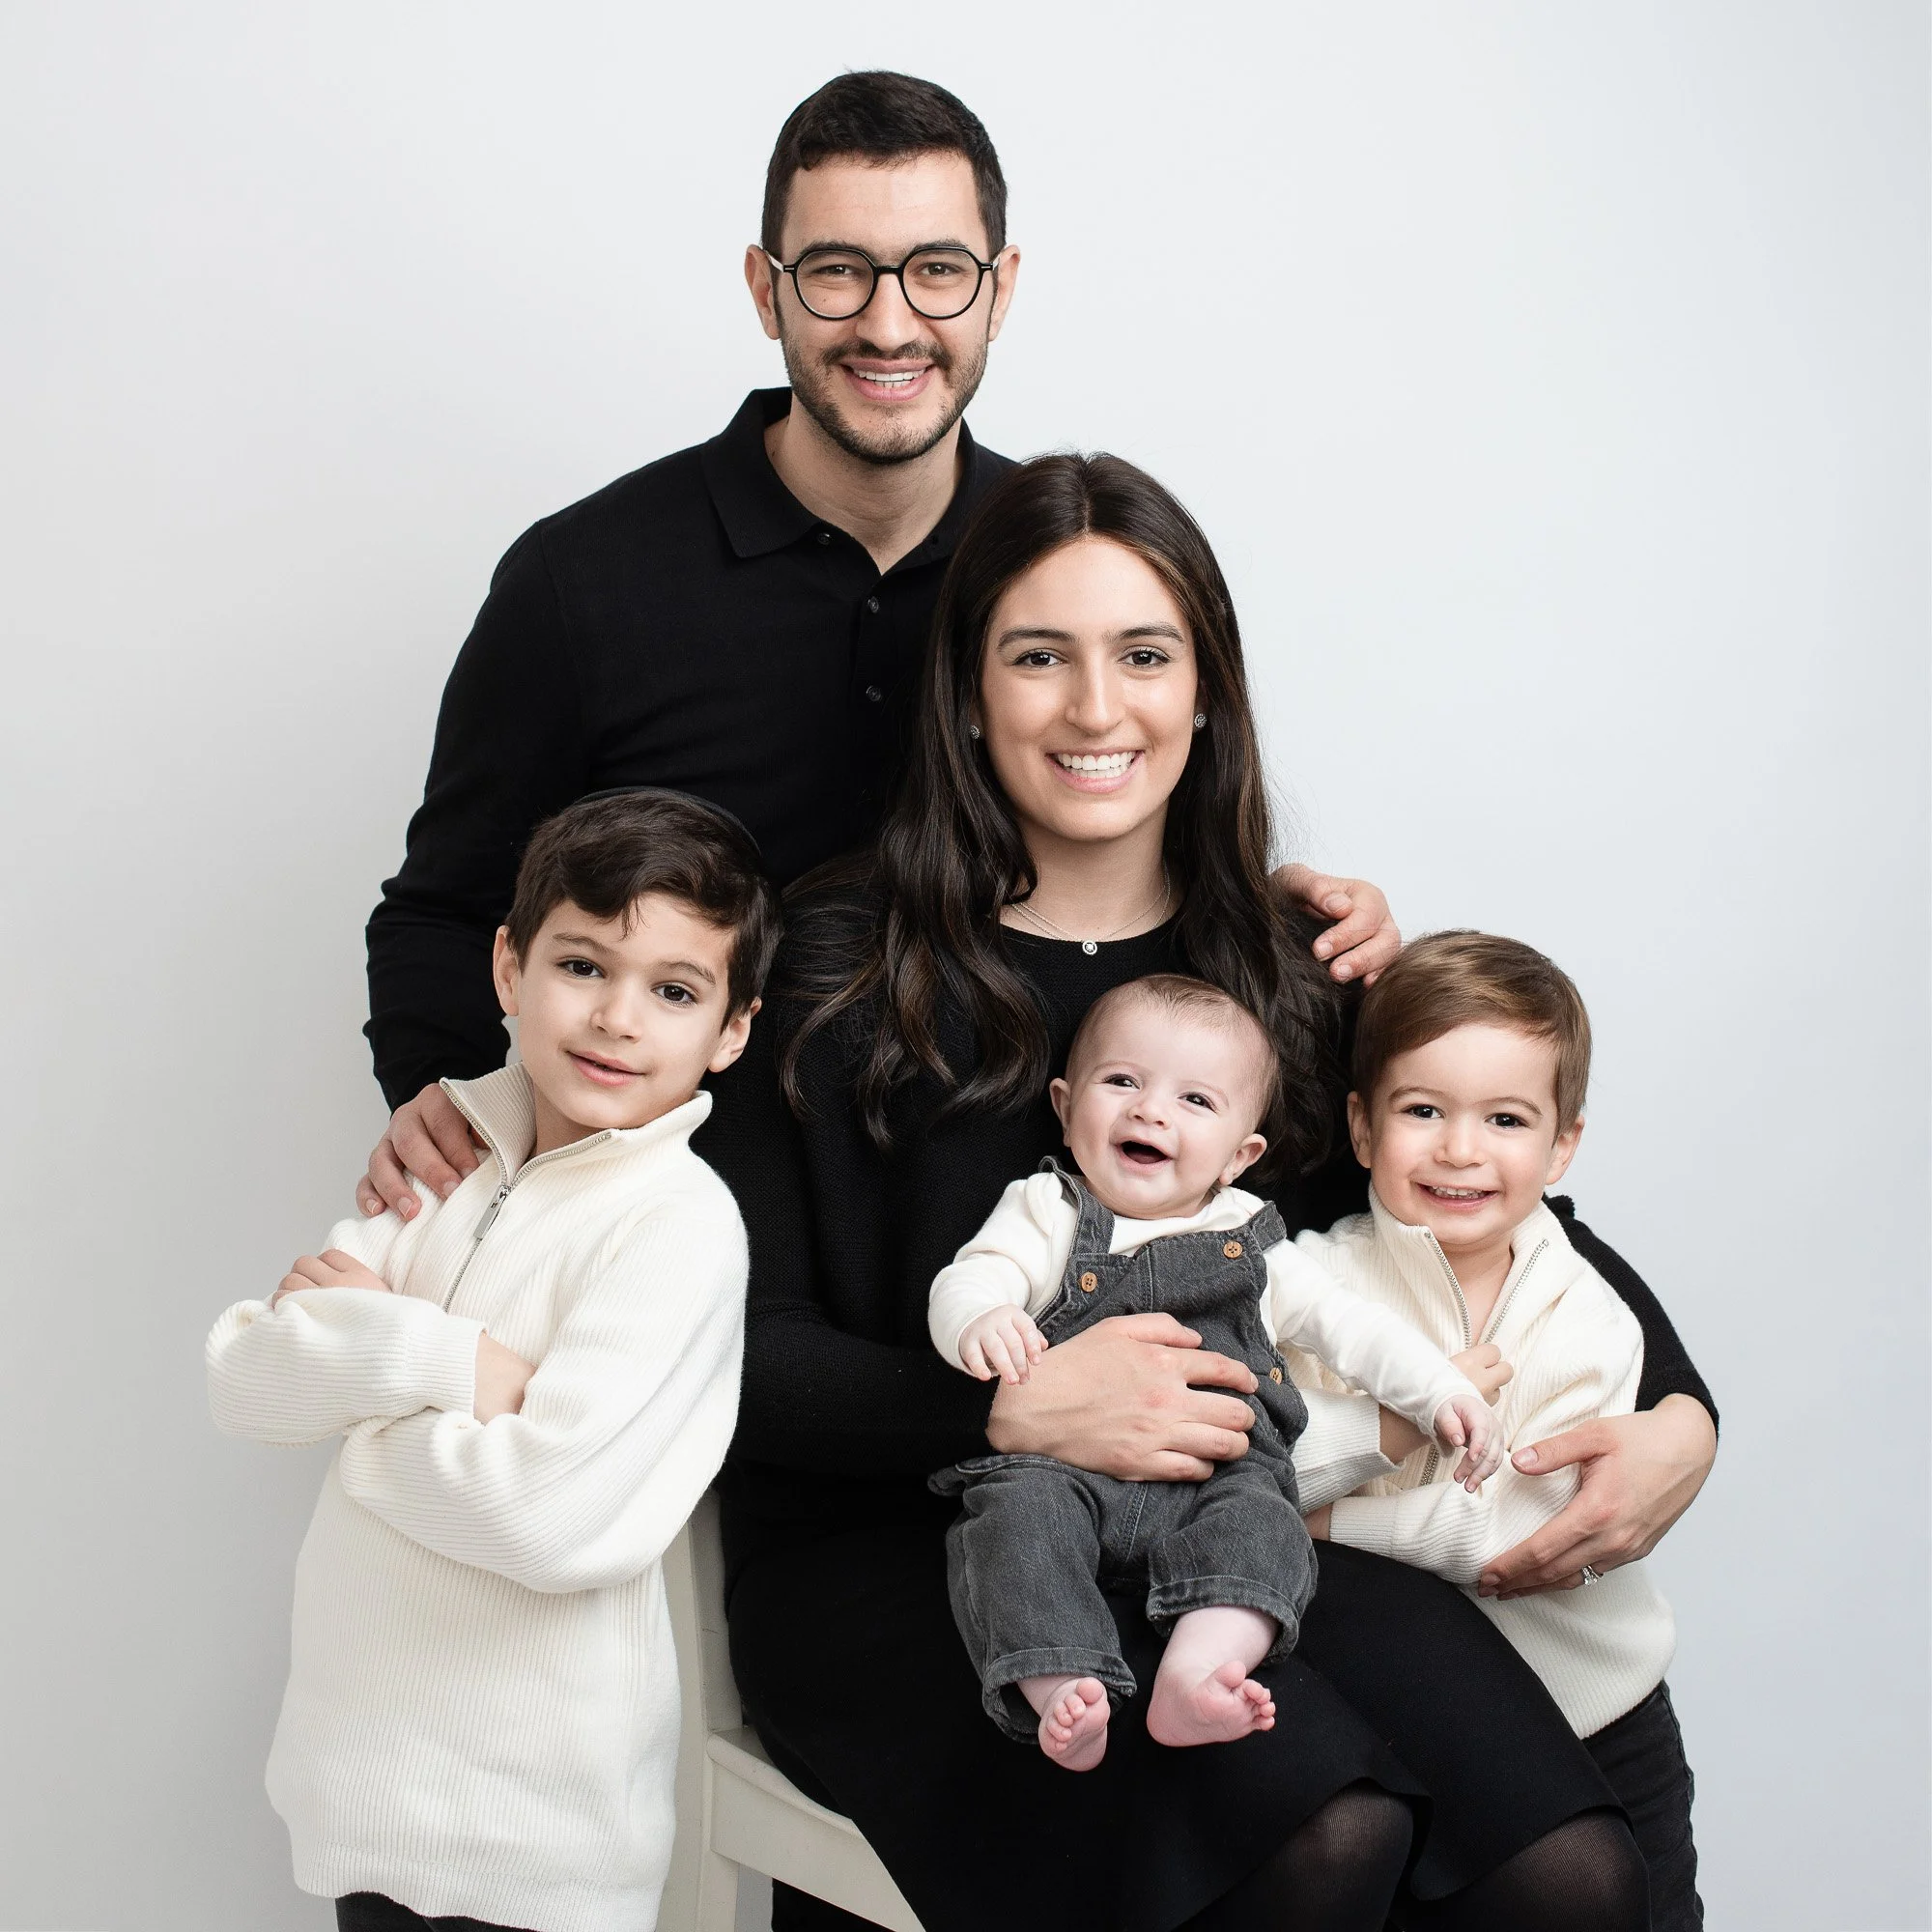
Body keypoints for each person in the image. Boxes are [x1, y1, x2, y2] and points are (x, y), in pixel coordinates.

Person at [699, 450, 1711, 1931]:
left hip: (1223, 1529)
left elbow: (1481, 1205)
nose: (1097, 709)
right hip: (927, 1556)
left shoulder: (1287, 971)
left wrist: (1684, 1417)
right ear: (968, 692)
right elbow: (729, 1342)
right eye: (1040, 655)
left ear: (1206, 691)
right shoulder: (833, 962)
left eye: (1145, 655)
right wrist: (1001, 1406)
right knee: (1324, 1831)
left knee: (1574, 1873)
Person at [357, 69, 1398, 1224]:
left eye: (937, 272)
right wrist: (452, 1107)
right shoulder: (582, 577)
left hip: (965, 1213)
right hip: (631, 1219)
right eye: (837, 271)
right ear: (766, 288)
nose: (889, 323)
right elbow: (445, 910)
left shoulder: (1053, 566)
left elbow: (1140, 814)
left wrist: (1283, 924)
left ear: (999, 290)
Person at [206, 791, 780, 1932]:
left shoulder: (677, 1224)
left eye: (673, 989)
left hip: (534, 1837)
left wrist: (367, 1370)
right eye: (583, 964)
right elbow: (246, 1381)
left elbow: (550, 1519)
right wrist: (465, 1365)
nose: (618, 1017)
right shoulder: (443, 1154)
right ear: (509, 967)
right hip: (355, 1781)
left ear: (731, 1030)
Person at [927, 973, 1501, 1771]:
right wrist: (982, 1319)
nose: (1150, 1111)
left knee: (1269, 1529)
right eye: (1121, 1081)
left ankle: (1200, 1669)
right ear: (1065, 1105)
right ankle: (1061, 1683)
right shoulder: (1046, 1211)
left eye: (1194, 1101)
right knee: (1010, 1527)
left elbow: (1354, 1330)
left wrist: (1441, 1390)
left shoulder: (1256, 1243)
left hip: (1216, 1478)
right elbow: (971, 1275)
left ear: (1241, 1155)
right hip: (1063, 1474)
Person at [1287, 930, 1702, 1926]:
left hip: (1598, 1713)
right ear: (1359, 1123)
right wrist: (1381, 1433)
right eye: (1421, 1110)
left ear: (1561, 1144)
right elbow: (1257, 1461)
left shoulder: (1584, 1313)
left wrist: (1325, 1522)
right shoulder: (1306, 1287)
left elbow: (1513, 1536)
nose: (1459, 1149)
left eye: (1505, 1118)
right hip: (1405, 1725)